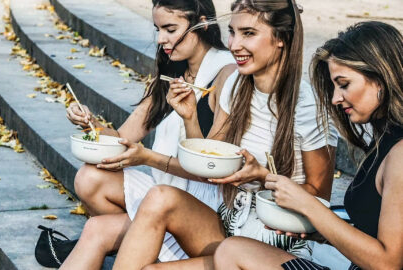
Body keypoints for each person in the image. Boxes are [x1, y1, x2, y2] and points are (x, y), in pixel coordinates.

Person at [111, 0, 338, 269]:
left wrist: (264, 177)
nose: (234, 44)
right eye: (232, 32)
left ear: (281, 38)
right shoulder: (235, 85)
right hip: (230, 225)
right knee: (160, 196)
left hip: (280, 244)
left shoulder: (308, 106)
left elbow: (319, 201)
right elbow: (210, 164)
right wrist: (190, 117)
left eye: (248, 34)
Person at [213, 21, 403, 270]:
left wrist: (309, 206)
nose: (335, 99)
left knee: (232, 251)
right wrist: (319, 230)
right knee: (233, 249)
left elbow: (388, 263)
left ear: (380, 78)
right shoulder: (385, 140)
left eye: (344, 84)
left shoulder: (400, 155)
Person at [60, 0, 236, 268]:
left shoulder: (226, 73)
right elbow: (123, 137)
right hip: (165, 191)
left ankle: (143, 251)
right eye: (158, 29)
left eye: (170, 29)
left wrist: (147, 158)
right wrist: (88, 123)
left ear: (201, 23)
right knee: (90, 179)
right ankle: (141, 248)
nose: (161, 39)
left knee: (104, 225)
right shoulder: (173, 72)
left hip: (206, 208)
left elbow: (213, 168)